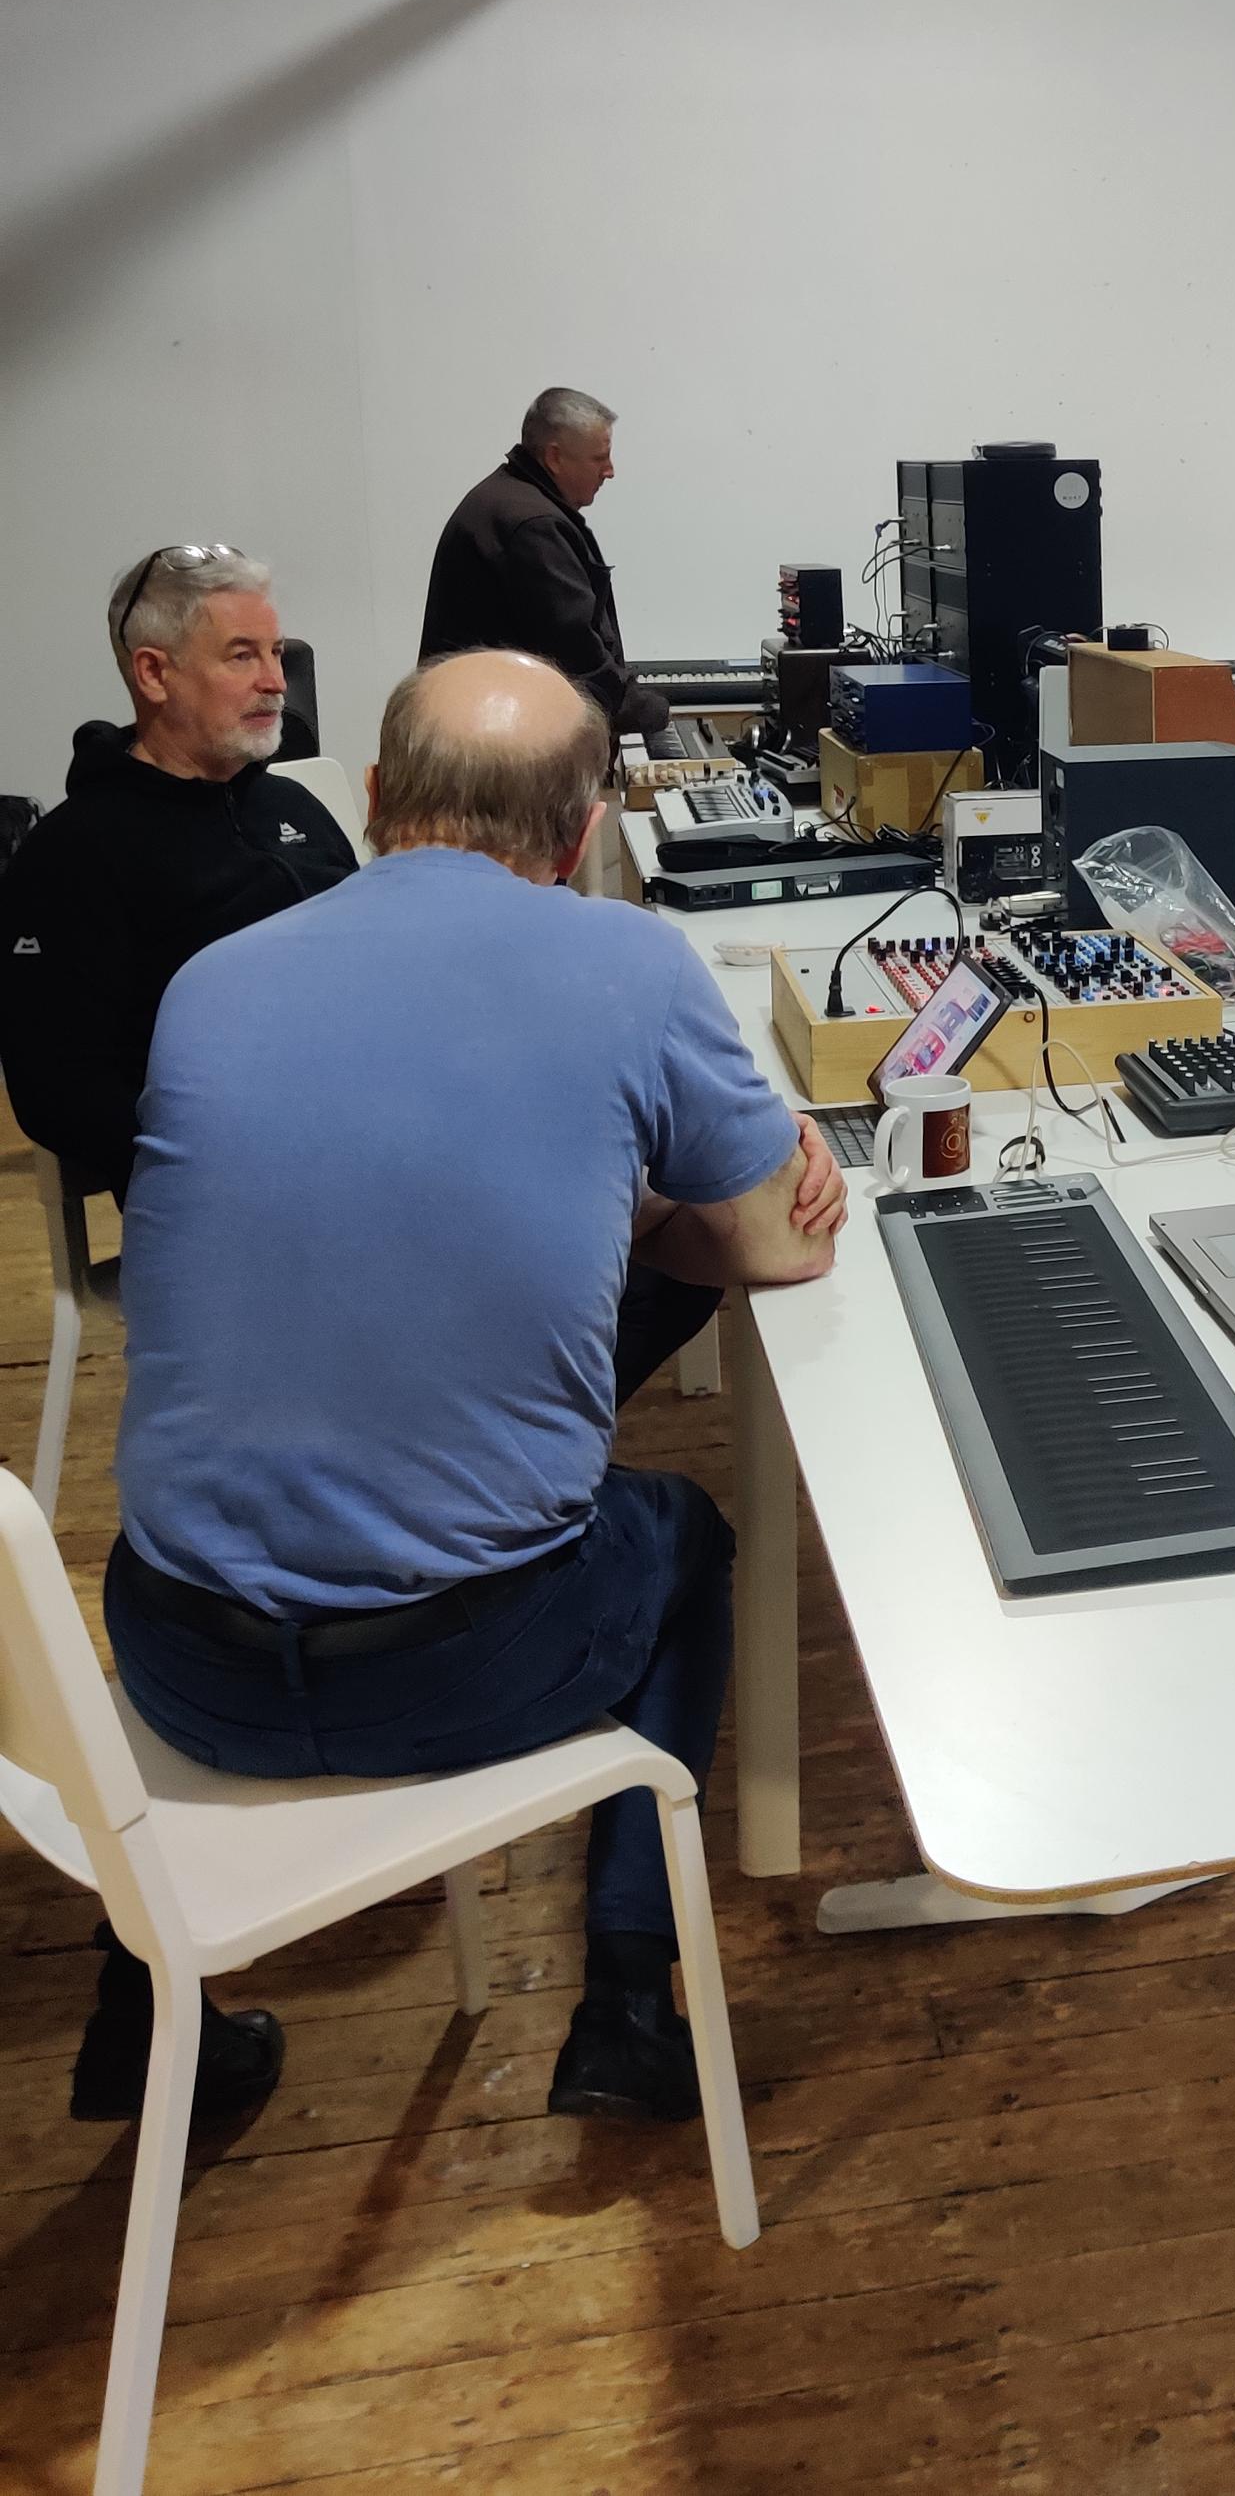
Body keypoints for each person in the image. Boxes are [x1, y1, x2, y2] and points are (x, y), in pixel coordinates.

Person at [85, 651, 847, 2131]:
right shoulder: (627, 965)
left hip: (174, 1663)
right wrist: (655, 1205)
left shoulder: (211, 984)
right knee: (685, 1538)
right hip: (452, 1671)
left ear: (371, 802)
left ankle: (142, 2002)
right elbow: (771, 1245)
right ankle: (629, 1997)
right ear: (577, 843)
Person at [0, 546, 358, 1201]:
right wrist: (228, 1144)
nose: (277, 681)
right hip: (229, 1195)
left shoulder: (293, 805)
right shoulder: (71, 855)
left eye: (277, 652)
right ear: (154, 674)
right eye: (243, 654)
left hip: (365, 1139)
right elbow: (59, 1091)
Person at [420, 389, 668, 742]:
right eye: (600, 458)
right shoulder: (532, 526)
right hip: (496, 751)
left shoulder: (508, 501)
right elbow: (574, 656)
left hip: (471, 736)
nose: (610, 471)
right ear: (555, 457)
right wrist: (651, 711)